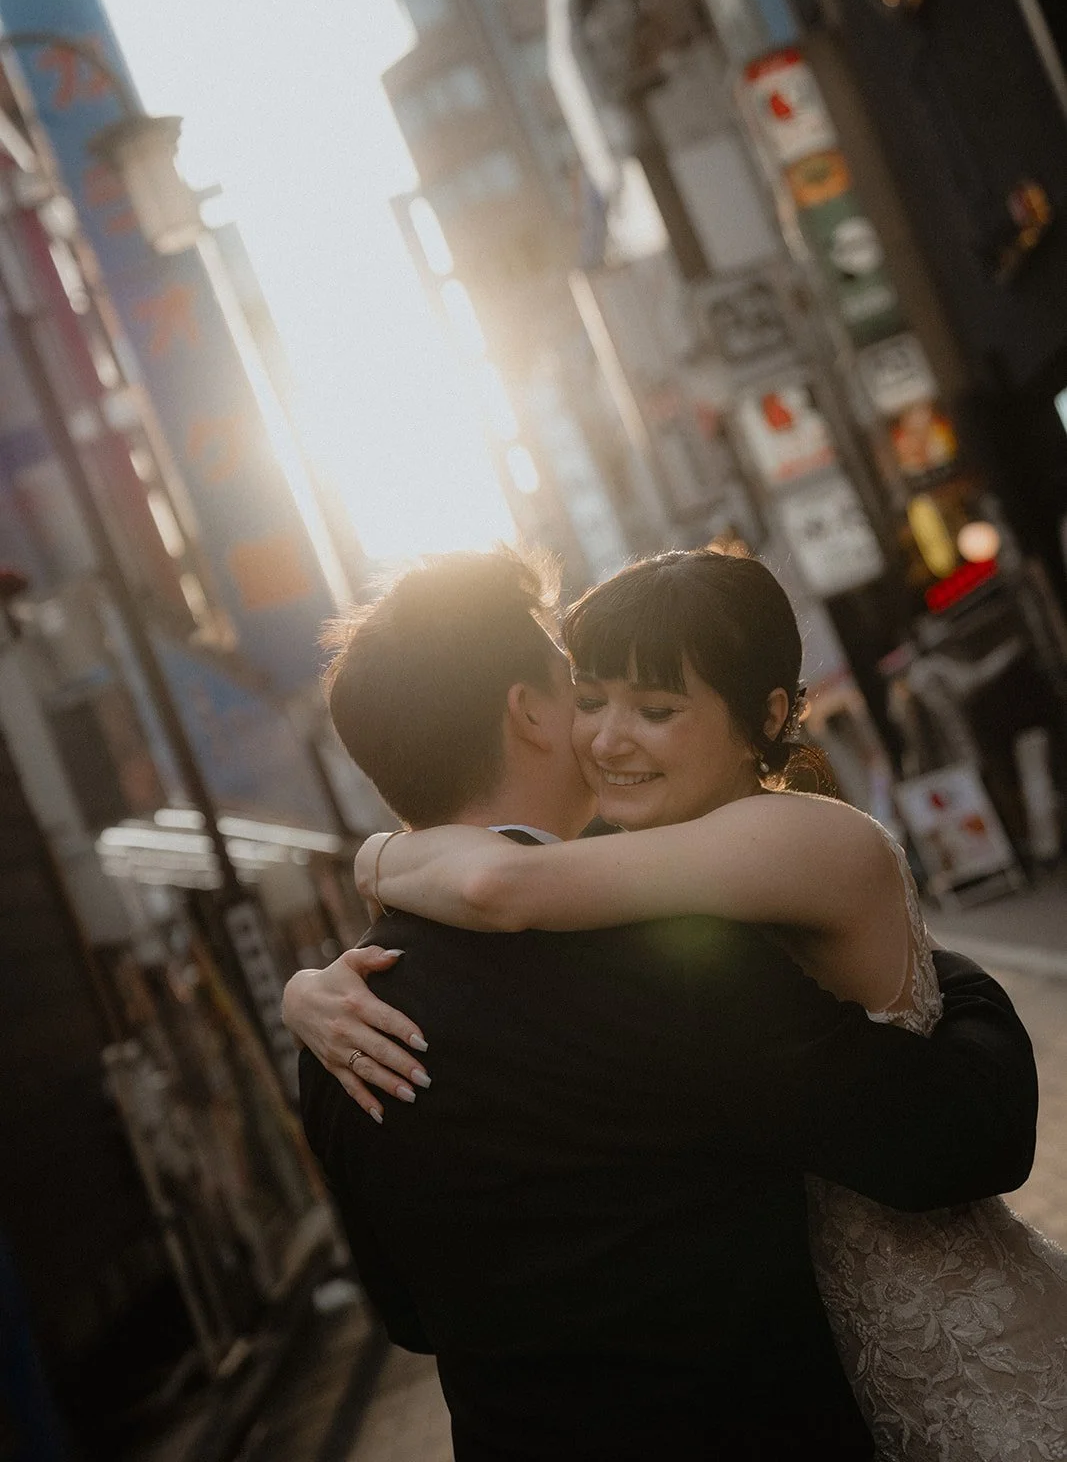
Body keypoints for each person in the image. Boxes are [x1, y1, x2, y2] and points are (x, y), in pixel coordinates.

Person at [286, 547, 1038, 1462]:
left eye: (647, 706)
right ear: (529, 712)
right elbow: (946, 1140)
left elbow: (408, 1314)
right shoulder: (663, 958)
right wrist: (950, 975)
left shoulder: (338, 1025)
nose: (603, 730)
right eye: (582, 689)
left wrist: (361, 891)